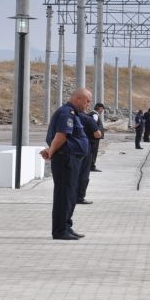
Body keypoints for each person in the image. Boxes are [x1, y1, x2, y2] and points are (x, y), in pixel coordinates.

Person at [40, 88, 92, 240]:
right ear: (78, 99)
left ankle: (66, 226)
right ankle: (60, 230)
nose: (88, 104)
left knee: (70, 194)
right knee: (64, 195)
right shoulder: (66, 113)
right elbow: (61, 135)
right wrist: (51, 152)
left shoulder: (73, 113)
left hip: (71, 159)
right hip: (66, 159)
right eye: (87, 101)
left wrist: (51, 150)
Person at [76, 107, 102, 205]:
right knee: (84, 174)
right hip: (86, 148)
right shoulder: (87, 118)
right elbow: (97, 134)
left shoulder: (71, 116)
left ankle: (71, 196)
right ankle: (80, 197)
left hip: (73, 149)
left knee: (74, 173)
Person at [90, 103, 105, 172]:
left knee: (92, 152)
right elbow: (93, 126)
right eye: (102, 109)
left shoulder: (93, 114)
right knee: (93, 152)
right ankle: (92, 166)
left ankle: (90, 166)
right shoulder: (95, 115)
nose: (102, 111)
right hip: (94, 138)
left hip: (93, 137)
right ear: (99, 108)